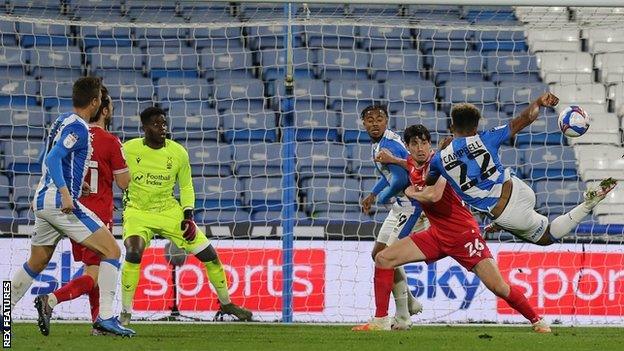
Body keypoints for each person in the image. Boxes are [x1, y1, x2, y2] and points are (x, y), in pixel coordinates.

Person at [354, 124, 550, 333]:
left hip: (463, 236)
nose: (420, 148)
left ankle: (538, 320)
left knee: (498, 287)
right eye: (414, 144)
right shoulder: (411, 162)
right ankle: (381, 320)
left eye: (424, 142)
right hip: (437, 235)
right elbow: (407, 164)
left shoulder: (441, 164)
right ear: (408, 147)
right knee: (383, 259)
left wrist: (411, 193)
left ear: (430, 144)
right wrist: (393, 160)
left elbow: (434, 196)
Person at [10, 77, 135, 337]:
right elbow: (55, 158)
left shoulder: (61, 121)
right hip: (59, 202)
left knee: (37, 261)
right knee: (111, 249)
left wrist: (77, 186)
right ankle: (106, 318)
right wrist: (68, 194)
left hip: (43, 200)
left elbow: (49, 158)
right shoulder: (78, 127)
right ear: (95, 102)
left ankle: (2, 311)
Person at [424, 93, 617, 245]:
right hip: (519, 189)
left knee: (547, 237)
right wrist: (539, 101)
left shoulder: (438, 160)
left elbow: (428, 184)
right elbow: (526, 117)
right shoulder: (486, 138)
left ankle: (589, 204)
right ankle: (501, 223)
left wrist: (443, 151)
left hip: (506, 213)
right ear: (475, 127)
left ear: (451, 126)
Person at [120, 107, 252, 325]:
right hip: (138, 211)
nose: (162, 128)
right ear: (144, 128)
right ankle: (125, 314)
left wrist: (188, 214)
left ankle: (226, 303)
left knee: (210, 255)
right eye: (156, 124)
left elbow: (186, 186)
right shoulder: (128, 150)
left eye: (164, 123)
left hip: (169, 211)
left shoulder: (178, 152)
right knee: (134, 252)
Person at [359, 105, 426, 329]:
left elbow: (400, 180)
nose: (375, 123)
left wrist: (382, 196)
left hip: (411, 206)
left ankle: (403, 316)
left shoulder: (388, 144)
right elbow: (389, 174)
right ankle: (411, 301)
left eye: (379, 119)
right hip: (399, 207)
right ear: (363, 123)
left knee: (389, 257)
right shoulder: (380, 143)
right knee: (378, 254)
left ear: (387, 121)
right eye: (370, 120)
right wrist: (373, 193)